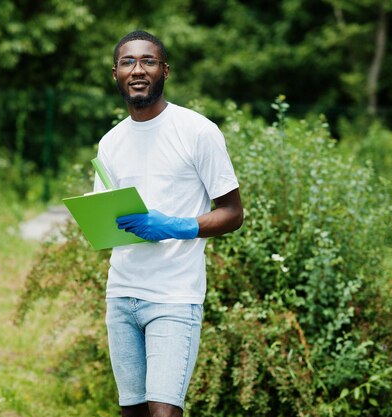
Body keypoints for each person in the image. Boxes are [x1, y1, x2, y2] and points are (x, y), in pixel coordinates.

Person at [93, 30, 243, 417]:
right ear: (115, 73)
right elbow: (104, 214)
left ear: (165, 70)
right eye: (128, 62)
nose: (137, 70)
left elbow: (232, 213)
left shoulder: (197, 131)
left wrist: (175, 226)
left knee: (165, 413)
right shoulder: (110, 142)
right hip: (122, 293)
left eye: (148, 61)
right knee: (133, 413)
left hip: (175, 296)